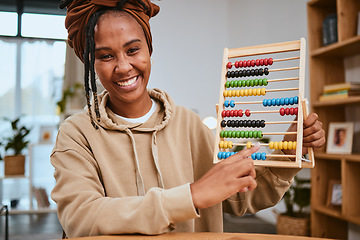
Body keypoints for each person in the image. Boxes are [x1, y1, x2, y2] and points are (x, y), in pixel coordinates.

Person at [51, 0, 326, 238]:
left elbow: (240, 198)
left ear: (149, 50)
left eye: (133, 50)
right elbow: (81, 219)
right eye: (106, 56)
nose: (123, 67)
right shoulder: (77, 133)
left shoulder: (189, 124)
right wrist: (191, 196)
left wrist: (289, 154)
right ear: (91, 63)